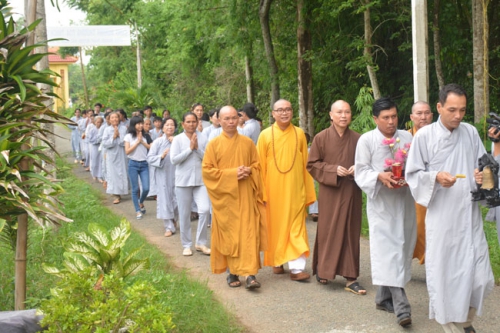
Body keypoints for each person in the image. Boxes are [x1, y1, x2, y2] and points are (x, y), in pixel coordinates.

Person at [406, 84, 494, 333]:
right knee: (447, 271)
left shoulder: (469, 132)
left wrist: (482, 177)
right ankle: (450, 324)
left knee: (479, 276)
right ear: (439, 107)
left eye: (462, 110)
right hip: (442, 215)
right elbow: (413, 174)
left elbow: (483, 166)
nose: (458, 115)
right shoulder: (424, 136)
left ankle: (465, 319)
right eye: (452, 110)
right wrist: (435, 177)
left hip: (468, 214)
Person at [354, 97, 416, 328]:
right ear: (375, 119)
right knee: (387, 250)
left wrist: (409, 177)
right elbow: (361, 171)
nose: (391, 122)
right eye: (385, 118)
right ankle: (402, 307)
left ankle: (382, 297)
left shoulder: (407, 137)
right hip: (381, 204)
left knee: (401, 248)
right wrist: (379, 176)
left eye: (394, 116)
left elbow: (416, 165)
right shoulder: (366, 140)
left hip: (404, 201)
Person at [202, 106, 267, 289]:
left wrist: (249, 170)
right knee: (231, 236)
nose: (231, 122)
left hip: (246, 195)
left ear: (239, 120)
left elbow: (257, 166)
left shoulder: (247, 143)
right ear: (219, 121)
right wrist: (232, 174)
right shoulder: (213, 145)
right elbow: (207, 172)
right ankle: (232, 272)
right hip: (226, 199)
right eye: (227, 118)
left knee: (248, 233)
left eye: (234, 118)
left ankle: (251, 274)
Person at [307, 100, 366, 295]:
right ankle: (324, 270)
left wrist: (359, 168)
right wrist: (333, 169)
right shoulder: (321, 138)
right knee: (328, 229)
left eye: (347, 112)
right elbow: (312, 165)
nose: (343, 116)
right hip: (330, 191)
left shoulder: (359, 139)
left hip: (351, 190)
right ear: (331, 115)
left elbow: (367, 163)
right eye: (339, 112)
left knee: (350, 230)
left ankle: (351, 277)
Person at [256, 99, 316, 281]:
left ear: (292, 112)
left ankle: (297, 269)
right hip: (273, 192)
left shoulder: (299, 134)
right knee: (275, 229)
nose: (284, 113)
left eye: (288, 109)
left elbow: (306, 164)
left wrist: (307, 190)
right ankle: (277, 261)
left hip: (295, 190)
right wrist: (261, 193)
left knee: (296, 228)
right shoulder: (265, 135)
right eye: (280, 110)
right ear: (273, 114)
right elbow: (259, 167)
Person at [170, 112, 211, 256]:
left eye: (194, 121)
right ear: (182, 124)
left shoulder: (203, 137)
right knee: (184, 214)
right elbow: (174, 160)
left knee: (205, 209)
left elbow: (207, 158)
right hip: (183, 181)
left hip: (200, 180)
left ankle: (201, 243)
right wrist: (189, 149)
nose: (191, 124)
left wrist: (197, 149)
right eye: (188, 121)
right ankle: (186, 244)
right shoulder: (178, 139)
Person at [408, 101, 433, 265]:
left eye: (426, 113)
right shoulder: (404, 137)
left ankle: (432, 262)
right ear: (412, 117)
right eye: (419, 113)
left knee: (433, 227)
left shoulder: (438, 135)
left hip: (435, 187)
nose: (423, 117)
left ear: (432, 115)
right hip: (413, 189)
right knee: (416, 225)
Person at [147, 118, 178, 236]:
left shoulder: (179, 140)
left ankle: (174, 219)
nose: (170, 127)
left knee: (176, 200)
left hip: (177, 174)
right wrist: (161, 156)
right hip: (163, 175)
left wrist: (175, 142)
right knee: (164, 199)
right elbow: (149, 158)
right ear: (163, 127)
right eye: (167, 125)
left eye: (172, 125)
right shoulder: (157, 142)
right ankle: (168, 227)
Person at [124, 116, 151, 219]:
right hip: (133, 164)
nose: (140, 125)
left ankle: (140, 201)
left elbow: (151, 148)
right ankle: (137, 210)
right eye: (138, 123)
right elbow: (127, 151)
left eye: (141, 123)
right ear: (133, 125)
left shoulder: (146, 136)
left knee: (146, 188)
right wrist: (137, 142)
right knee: (135, 189)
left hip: (144, 164)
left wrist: (142, 141)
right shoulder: (129, 136)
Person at [102, 112, 129, 204]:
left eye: (116, 117)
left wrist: (119, 136)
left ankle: (121, 191)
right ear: (109, 120)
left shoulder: (124, 129)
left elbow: (125, 142)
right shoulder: (106, 130)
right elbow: (105, 143)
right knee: (112, 174)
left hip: (121, 154)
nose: (114, 119)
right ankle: (116, 195)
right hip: (111, 155)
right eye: (112, 118)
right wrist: (113, 137)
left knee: (121, 172)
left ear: (119, 118)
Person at [87, 116, 104, 182]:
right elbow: (90, 139)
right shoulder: (92, 130)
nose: (99, 124)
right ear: (95, 122)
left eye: (100, 122)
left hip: (102, 147)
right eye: (97, 122)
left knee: (101, 161)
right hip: (95, 146)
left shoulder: (103, 129)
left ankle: (100, 175)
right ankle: (94, 174)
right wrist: (97, 140)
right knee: (94, 160)